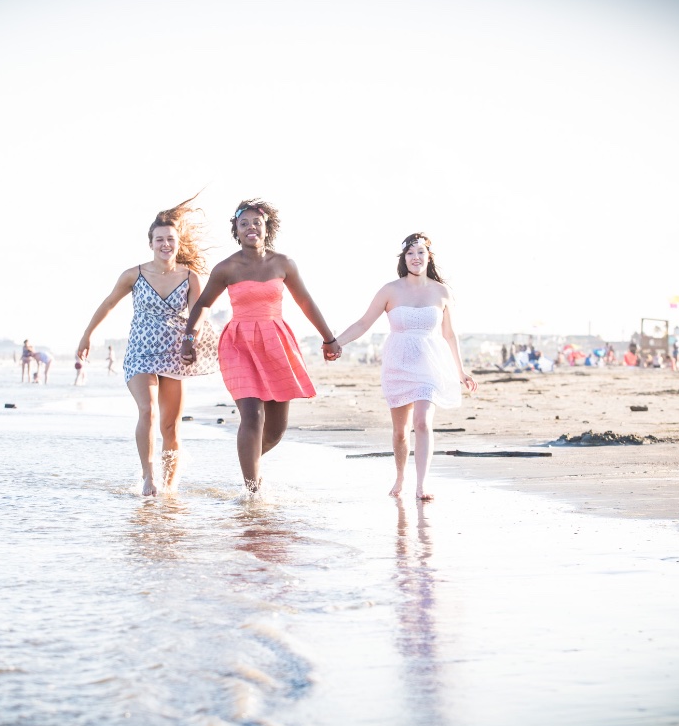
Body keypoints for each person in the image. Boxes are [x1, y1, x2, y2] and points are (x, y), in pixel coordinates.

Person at [181, 198, 337, 494]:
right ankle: (252, 492)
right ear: (236, 231)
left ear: (267, 228)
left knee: (276, 430)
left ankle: (249, 460)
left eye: (256, 222)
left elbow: (305, 302)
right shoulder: (226, 268)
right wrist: (189, 339)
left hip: (276, 343)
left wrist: (328, 338)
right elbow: (202, 304)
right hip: (238, 345)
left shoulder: (283, 264)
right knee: (252, 416)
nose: (250, 227)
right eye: (244, 224)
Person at [77, 195, 219, 495]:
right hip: (140, 353)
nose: (165, 244)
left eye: (170, 239)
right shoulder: (134, 274)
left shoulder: (191, 277)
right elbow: (108, 303)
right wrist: (88, 334)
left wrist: (192, 341)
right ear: (150, 243)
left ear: (178, 243)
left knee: (171, 427)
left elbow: (199, 315)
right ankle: (149, 477)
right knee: (148, 411)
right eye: (160, 239)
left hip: (174, 354)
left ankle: (170, 488)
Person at [329, 233, 477, 500]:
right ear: (404, 258)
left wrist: (460, 371)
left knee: (422, 422)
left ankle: (422, 485)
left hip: (429, 365)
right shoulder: (390, 290)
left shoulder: (442, 292)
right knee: (400, 432)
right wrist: (336, 342)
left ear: (429, 257)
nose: (415, 257)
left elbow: (449, 334)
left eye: (420, 252)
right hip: (398, 365)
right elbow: (363, 323)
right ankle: (400, 477)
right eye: (410, 253)